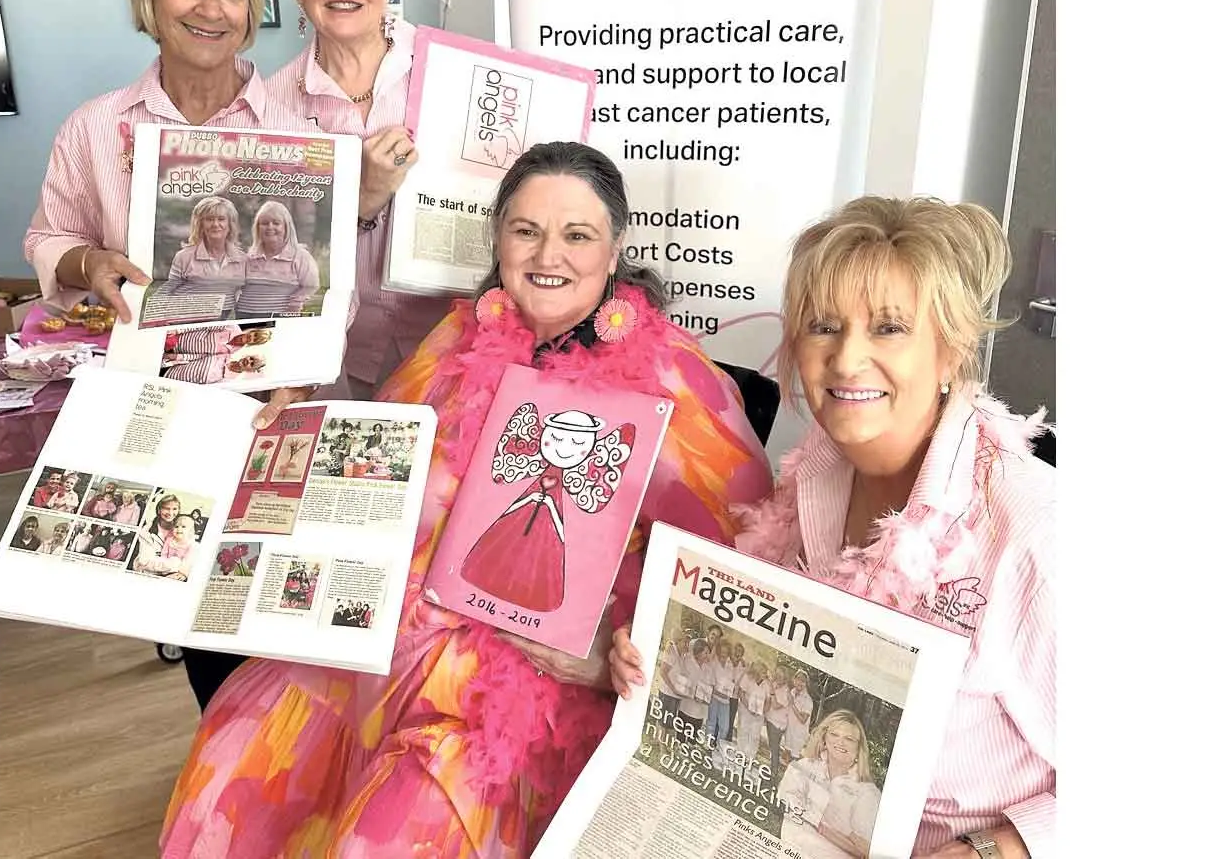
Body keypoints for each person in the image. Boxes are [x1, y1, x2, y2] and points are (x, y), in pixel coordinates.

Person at [160, 142, 774, 857]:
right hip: (394, 632)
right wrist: (286, 431)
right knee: (231, 761)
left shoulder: (674, 380)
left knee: (395, 830)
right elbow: (377, 465)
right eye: (525, 229)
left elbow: (743, 565)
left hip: (537, 681)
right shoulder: (459, 335)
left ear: (613, 251)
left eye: (577, 234)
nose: (550, 253)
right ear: (499, 239)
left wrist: (606, 652)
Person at [611, 195, 1056, 858]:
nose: (846, 359)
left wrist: (997, 849)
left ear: (948, 351)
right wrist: (656, 656)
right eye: (823, 326)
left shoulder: (1031, 529)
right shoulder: (806, 479)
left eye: (887, 328)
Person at [23, 0, 271, 325]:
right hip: (143, 382)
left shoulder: (302, 127)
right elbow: (49, 238)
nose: (211, 7)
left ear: (250, 9)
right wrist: (89, 263)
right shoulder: (93, 126)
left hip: (268, 378)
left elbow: (336, 289)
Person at [249, 0, 454, 399]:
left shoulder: (455, 73)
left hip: (454, 352)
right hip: (333, 360)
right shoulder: (268, 107)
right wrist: (359, 197)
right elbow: (269, 252)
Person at [776, 710, 883, 859]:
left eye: (849, 739)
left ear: (859, 748)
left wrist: (824, 825)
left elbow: (866, 852)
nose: (840, 742)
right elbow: (785, 803)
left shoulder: (867, 793)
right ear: (824, 738)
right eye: (834, 734)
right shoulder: (803, 766)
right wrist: (830, 827)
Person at [230, 199, 319, 318]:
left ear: (286, 227)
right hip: (245, 318)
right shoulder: (249, 258)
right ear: (257, 228)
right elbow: (235, 286)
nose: (270, 227)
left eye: (276, 223)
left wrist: (296, 304)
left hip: (280, 320)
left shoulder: (300, 256)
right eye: (265, 223)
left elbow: (311, 286)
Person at [163, 195, 247, 306]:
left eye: (221, 219)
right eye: (209, 219)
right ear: (200, 224)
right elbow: (167, 295)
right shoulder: (183, 257)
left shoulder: (243, 259)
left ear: (230, 224)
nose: (215, 224)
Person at [134, 515, 197, 580]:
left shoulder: (191, 544)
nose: (179, 529)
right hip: (166, 567)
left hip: (179, 570)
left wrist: (183, 573)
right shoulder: (169, 540)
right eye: (176, 526)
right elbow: (163, 554)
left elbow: (188, 561)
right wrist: (165, 569)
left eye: (183, 527)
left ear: (190, 530)